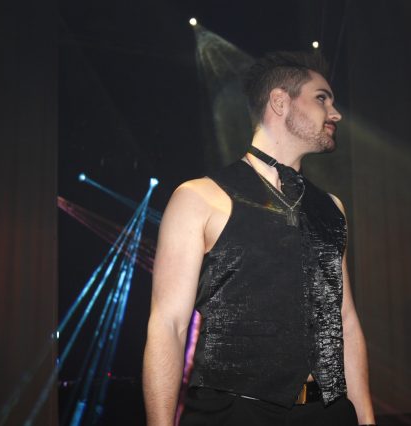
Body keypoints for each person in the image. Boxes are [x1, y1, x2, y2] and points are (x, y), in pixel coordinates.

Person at [143, 51, 376, 426]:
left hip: (327, 413)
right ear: (280, 101)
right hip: (235, 414)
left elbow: (345, 322)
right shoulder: (199, 197)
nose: (335, 113)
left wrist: (365, 419)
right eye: (322, 98)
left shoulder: (331, 207)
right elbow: (169, 324)